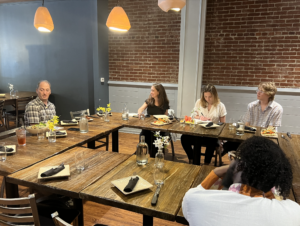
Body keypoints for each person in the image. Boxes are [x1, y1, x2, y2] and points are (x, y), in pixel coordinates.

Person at [182, 136, 300, 226]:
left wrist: (215, 173)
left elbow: (195, 193)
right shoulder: (294, 212)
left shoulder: (194, 201)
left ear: (240, 167)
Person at [223, 81, 283, 154]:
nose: (258, 93)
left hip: (266, 140)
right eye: (258, 90)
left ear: (269, 94)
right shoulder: (251, 105)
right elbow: (247, 124)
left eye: (261, 91)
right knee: (229, 144)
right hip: (251, 137)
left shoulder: (277, 108)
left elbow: (270, 130)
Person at [181, 84, 227, 164]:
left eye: (210, 96)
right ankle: (193, 159)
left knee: (211, 141)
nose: (207, 99)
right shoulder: (199, 102)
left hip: (212, 133)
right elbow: (193, 115)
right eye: (205, 96)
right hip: (198, 131)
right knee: (184, 138)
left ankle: (206, 163)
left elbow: (223, 124)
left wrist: (222, 141)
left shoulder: (220, 106)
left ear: (215, 96)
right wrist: (201, 118)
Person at [137, 84, 170, 153]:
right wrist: (140, 112)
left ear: (159, 92)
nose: (150, 92)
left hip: (159, 127)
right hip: (149, 126)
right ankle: (142, 151)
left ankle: (153, 152)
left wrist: (165, 120)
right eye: (151, 90)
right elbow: (141, 108)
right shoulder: (149, 101)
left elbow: (166, 116)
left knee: (155, 135)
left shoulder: (165, 103)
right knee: (144, 133)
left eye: (153, 90)